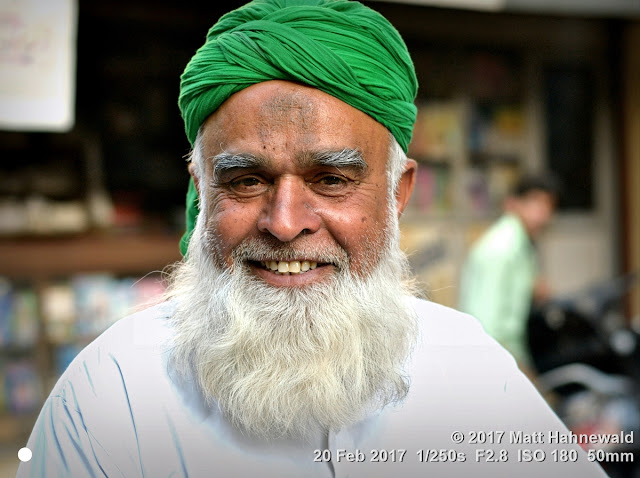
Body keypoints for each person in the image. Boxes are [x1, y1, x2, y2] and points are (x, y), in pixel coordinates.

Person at [18, 2, 607, 477]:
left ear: (397, 194)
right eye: (246, 181)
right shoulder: (110, 399)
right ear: (202, 190)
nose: (284, 221)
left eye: (332, 180)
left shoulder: (472, 371)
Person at [459, 174, 560, 373]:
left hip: (509, 356)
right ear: (513, 204)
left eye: (549, 205)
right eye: (535, 203)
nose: (543, 214)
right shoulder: (502, 248)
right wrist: (520, 370)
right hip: (496, 363)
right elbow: (487, 323)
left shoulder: (521, 244)